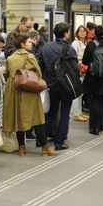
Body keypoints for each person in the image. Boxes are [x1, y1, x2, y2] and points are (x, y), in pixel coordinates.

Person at [3, 32, 58, 156]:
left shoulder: (10, 58)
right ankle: (44, 147)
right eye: (28, 42)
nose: (31, 44)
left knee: (18, 119)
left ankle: (22, 147)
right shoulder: (30, 57)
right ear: (22, 44)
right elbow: (38, 73)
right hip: (29, 91)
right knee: (36, 118)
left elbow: (7, 74)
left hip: (14, 89)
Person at [40, 22, 79, 150]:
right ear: (66, 34)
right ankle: (59, 142)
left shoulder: (45, 47)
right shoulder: (69, 49)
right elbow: (75, 69)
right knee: (65, 113)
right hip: (65, 86)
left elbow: (40, 65)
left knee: (51, 112)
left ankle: (42, 139)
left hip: (51, 85)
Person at [70, 25, 89, 122]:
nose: (82, 33)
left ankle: (80, 112)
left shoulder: (85, 43)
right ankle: (76, 114)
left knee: (81, 92)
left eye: (84, 31)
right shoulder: (75, 43)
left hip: (85, 68)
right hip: (78, 68)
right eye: (80, 31)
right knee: (77, 92)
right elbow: (73, 57)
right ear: (77, 33)